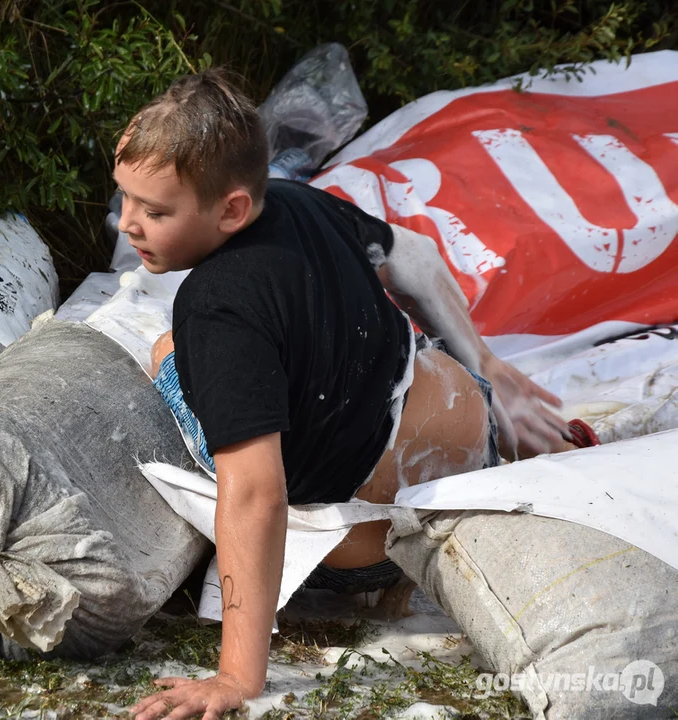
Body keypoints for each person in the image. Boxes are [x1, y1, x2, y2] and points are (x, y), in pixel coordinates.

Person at [117, 69, 587, 720]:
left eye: (155, 210)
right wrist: (486, 363)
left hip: (377, 551)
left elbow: (255, 492)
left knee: (167, 353)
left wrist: (235, 677)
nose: (128, 224)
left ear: (230, 209)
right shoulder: (298, 201)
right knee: (369, 340)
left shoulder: (214, 307)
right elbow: (415, 256)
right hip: (470, 440)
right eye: (127, 201)